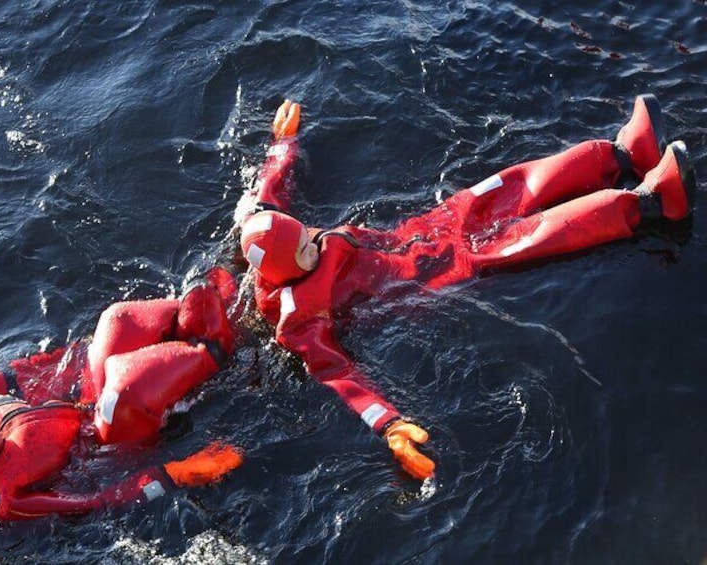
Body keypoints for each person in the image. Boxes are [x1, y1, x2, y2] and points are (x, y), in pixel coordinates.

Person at [237, 95, 696, 481]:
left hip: (416, 236)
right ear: (286, 271)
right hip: (426, 279)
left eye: (305, 233)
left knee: (503, 188)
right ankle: (652, 204)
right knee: (524, 238)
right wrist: (391, 426)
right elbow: (338, 375)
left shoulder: (281, 236)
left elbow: (268, 196)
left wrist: (283, 145)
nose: (314, 241)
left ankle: (620, 153)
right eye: (305, 250)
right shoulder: (298, 320)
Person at [0, 274, 243, 521]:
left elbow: (59, 365)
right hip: (106, 450)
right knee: (123, 393)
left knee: (116, 319)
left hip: (83, 405)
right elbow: (91, 502)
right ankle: (217, 350)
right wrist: (177, 474)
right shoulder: (5, 499)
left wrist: (103, 349)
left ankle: (207, 301)